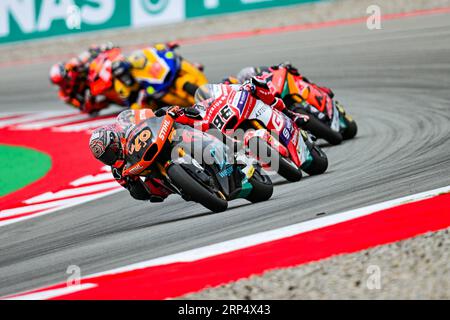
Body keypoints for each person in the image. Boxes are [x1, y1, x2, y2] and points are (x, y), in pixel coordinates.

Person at [49, 42, 118, 114]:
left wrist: (99, 48)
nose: (67, 70)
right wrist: (88, 99)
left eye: (65, 69)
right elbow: (82, 107)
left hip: (97, 72)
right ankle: (113, 100)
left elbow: (87, 53)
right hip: (94, 90)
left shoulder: (71, 65)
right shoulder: (65, 94)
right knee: (91, 109)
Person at [231, 62, 334, 99]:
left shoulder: (256, 72)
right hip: (272, 97)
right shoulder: (246, 91)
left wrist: (282, 67)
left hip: (278, 87)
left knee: (294, 74)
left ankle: (320, 89)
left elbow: (272, 69)